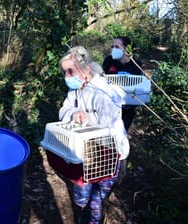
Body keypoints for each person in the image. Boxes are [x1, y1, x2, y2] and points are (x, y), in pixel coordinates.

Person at [59, 46, 129, 224]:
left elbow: (109, 130)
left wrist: (88, 120)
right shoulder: (76, 89)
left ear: (87, 69)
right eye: (64, 72)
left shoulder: (104, 93)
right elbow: (64, 110)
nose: (67, 77)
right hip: (85, 152)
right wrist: (74, 113)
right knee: (81, 195)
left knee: (97, 200)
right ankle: (81, 214)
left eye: (70, 71)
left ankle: (95, 218)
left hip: (110, 153)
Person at [102, 36, 143, 131]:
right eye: (112, 46)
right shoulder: (108, 61)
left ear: (126, 49)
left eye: (117, 47)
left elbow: (137, 89)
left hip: (127, 109)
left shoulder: (136, 65)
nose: (113, 49)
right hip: (108, 107)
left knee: (120, 135)